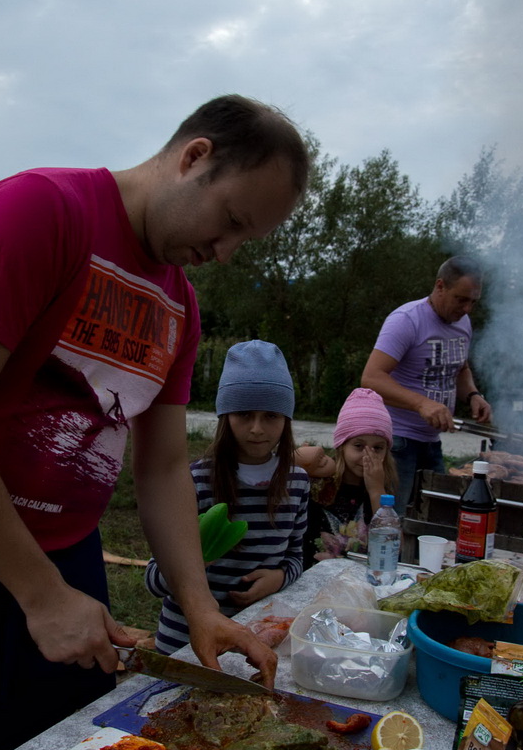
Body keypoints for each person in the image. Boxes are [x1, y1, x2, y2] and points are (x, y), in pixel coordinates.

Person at [0, 94, 309, 750]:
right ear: (194, 156)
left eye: (246, 239)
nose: (225, 250)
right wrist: (38, 592)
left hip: (70, 568)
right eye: (230, 219)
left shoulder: (180, 305)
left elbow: (160, 470)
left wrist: (197, 607)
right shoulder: (40, 211)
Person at [146, 340, 309, 653]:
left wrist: (278, 578)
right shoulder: (193, 481)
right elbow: (153, 580)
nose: (257, 429)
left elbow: (295, 558)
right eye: (245, 414)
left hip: (257, 642)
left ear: (286, 419)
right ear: (225, 416)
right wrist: (192, 563)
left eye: (271, 416)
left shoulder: (297, 484)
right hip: (185, 645)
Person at [361, 255, 492, 515]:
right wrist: (421, 403)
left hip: (432, 442)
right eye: (461, 299)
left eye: (473, 302)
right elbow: (371, 378)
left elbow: (460, 368)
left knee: (437, 518)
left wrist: (474, 395)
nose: (467, 309)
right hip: (398, 441)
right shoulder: (406, 320)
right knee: (391, 521)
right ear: (440, 286)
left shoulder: (462, 322)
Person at [303, 388, 396, 567]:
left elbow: (391, 547)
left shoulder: (382, 490)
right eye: (359, 445)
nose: (367, 455)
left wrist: (377, 491)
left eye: (377, 448)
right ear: (342, 446)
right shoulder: (319, 485)